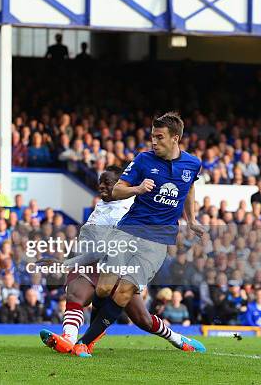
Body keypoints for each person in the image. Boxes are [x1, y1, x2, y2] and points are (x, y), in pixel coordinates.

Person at [71, 112, 205, 358]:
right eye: (152, 136)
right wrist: (138, 188)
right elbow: (118, 190)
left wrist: (192, 220)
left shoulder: (192, 164)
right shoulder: (144, 160)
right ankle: (89, 338)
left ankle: (84, 342)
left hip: (157, 240)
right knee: (104, 288)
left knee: (124, 292)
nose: (154, 141)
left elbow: (190, 188)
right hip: (128, 230)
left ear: (175, 138)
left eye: (159, 137)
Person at [40, 167, 203, 354]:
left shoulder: (123, 213)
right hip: (95, 263)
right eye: (100, 182)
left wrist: (66, 264)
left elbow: (101, 249)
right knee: (75, 294)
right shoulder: (105, 204)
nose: (101, 186)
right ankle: (68, 340)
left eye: (107, 182)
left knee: (143, 319)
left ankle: (178, 339)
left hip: (119, 268)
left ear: (120, 185)